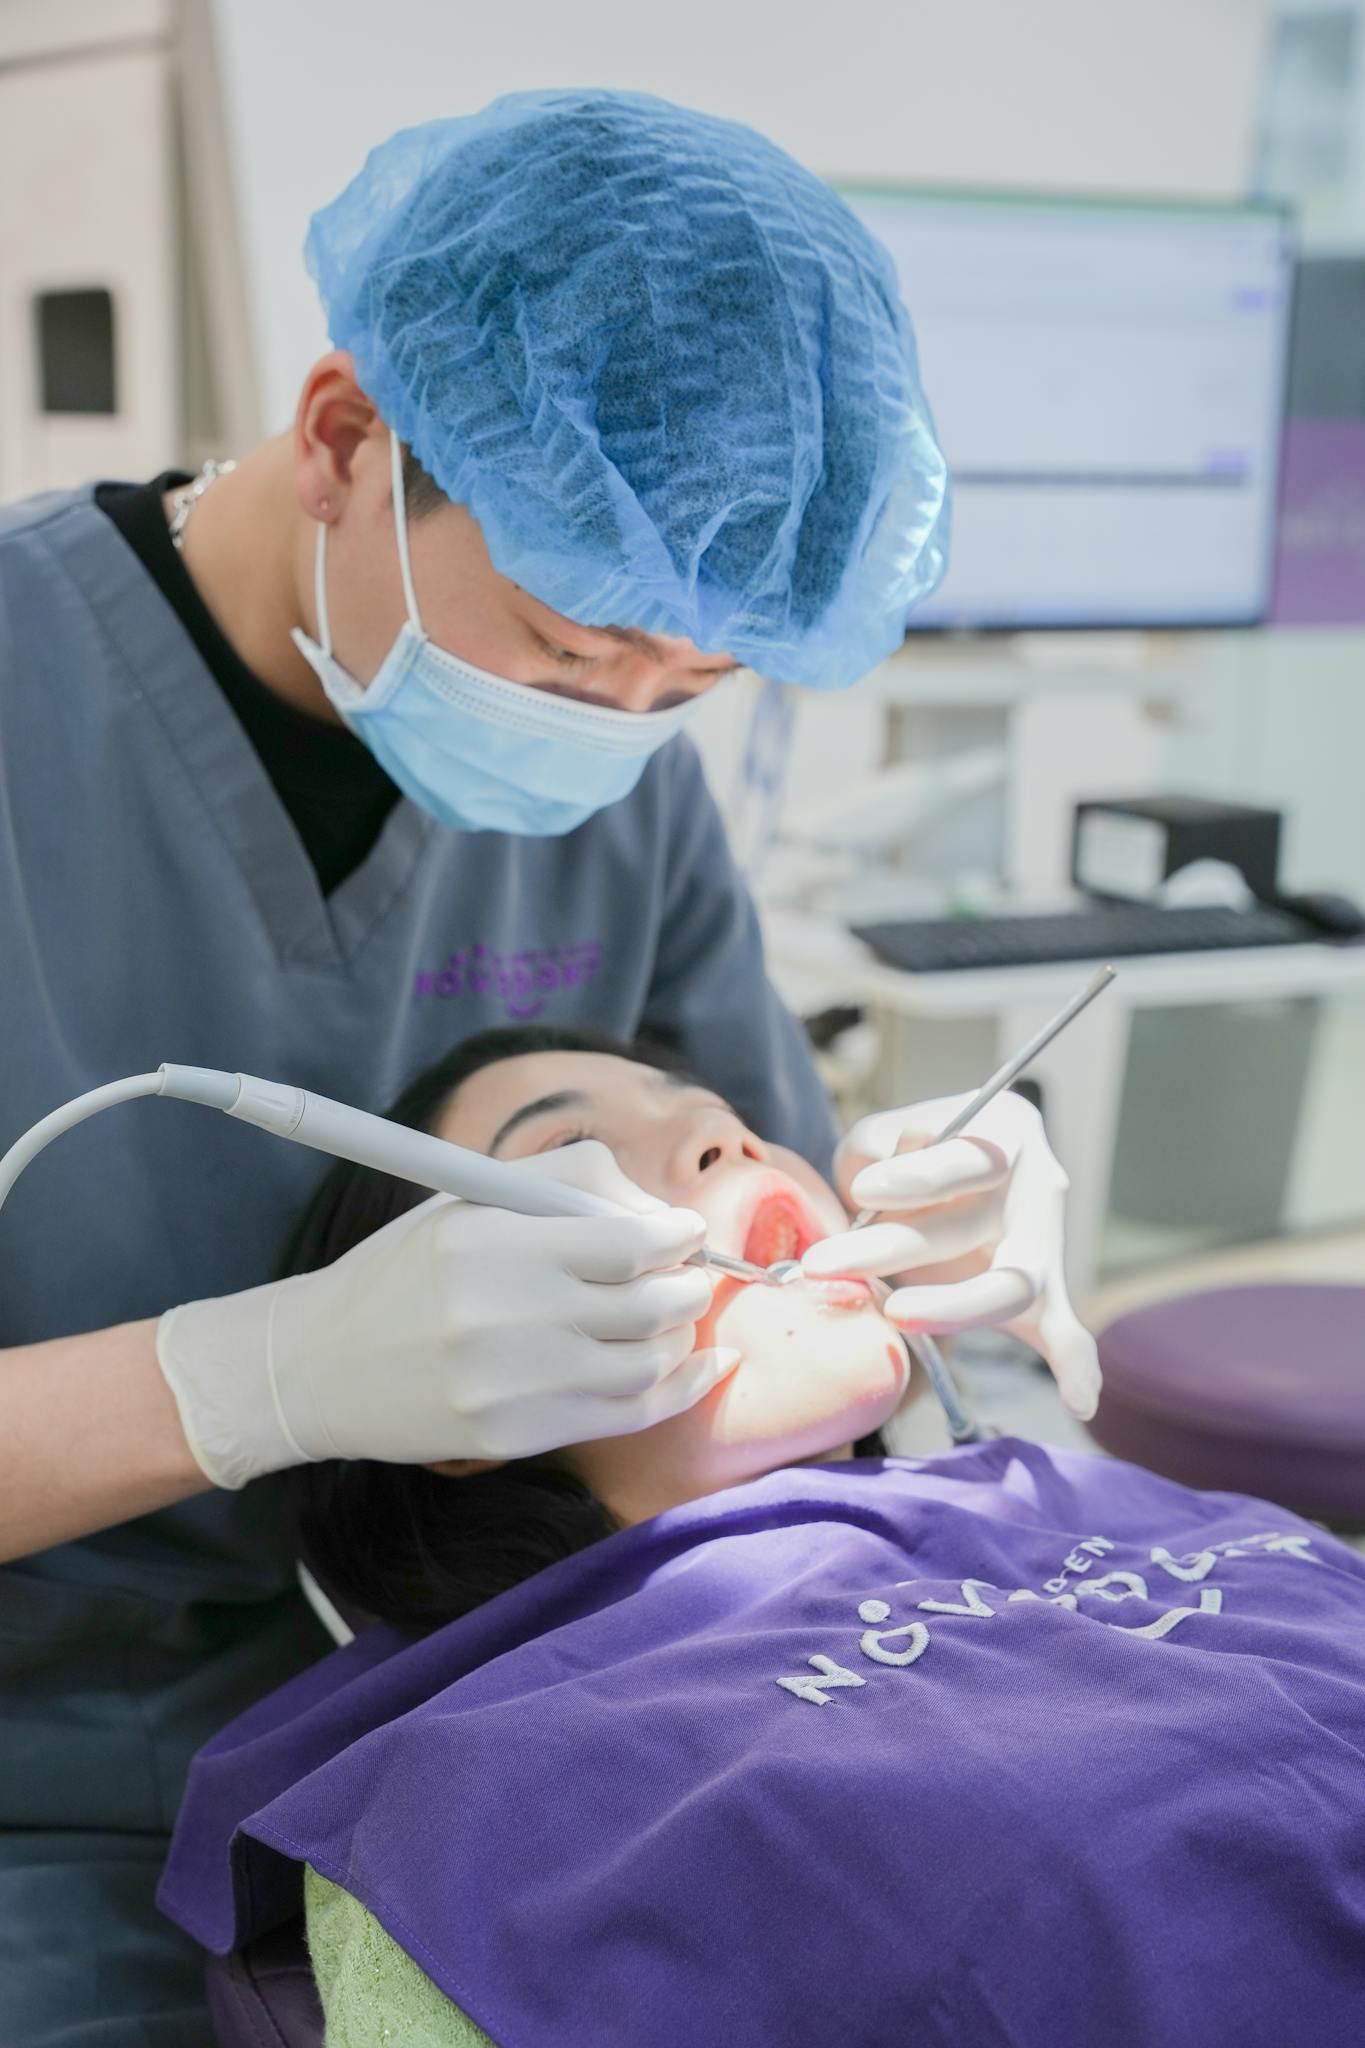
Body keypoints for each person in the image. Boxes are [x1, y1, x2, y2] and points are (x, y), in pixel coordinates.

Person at [0, 90, 1093, 2044]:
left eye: (691, 689)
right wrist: (252, 1375)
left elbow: (755, 1199)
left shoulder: (626, 791)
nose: (616, 732)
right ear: (343, 437)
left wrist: (900, 1228)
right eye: (575, 652)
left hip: (541, 1725)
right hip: (52, 1809)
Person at [160, 1026, 1365, 2048]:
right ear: (431, 1379)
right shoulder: (502, 1784)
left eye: (723, 1113)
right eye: (569, 1150)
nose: (727, 1138)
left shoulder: (1077, 1491)